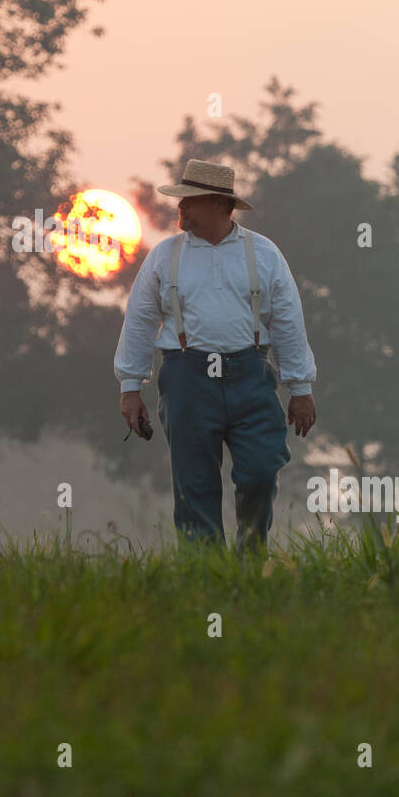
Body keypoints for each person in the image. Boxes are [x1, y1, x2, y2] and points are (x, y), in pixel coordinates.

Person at [114, 160, 317, 553]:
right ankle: (206, 576)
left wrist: (301, 386)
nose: (181, 208)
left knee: (261, 471)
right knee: (195, 485)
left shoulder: (264, 254)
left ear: (218, 205)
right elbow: (139, 321)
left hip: (251, 375)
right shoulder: (163, 256)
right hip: (186, 378)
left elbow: (288, 320)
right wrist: (129, 387)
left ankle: (250, 557)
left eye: (189, 201)